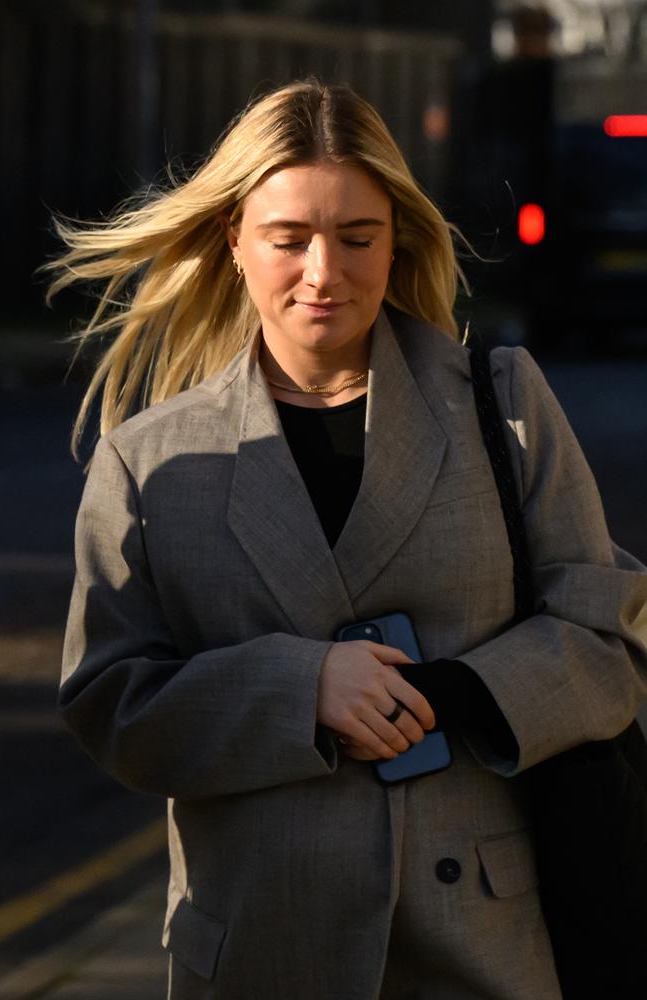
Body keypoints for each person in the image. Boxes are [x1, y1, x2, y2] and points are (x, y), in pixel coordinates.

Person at [50, 79, 647, 999]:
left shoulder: (504, 402)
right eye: (289, 240)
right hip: (259, 945)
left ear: (397, 237)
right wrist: (301, 689)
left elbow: (609, 637)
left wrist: (457, 693)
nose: (324, 272)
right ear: (235, 243)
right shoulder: (147, 461)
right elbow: (113, 706)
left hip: (484, 947)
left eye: (357, 237)